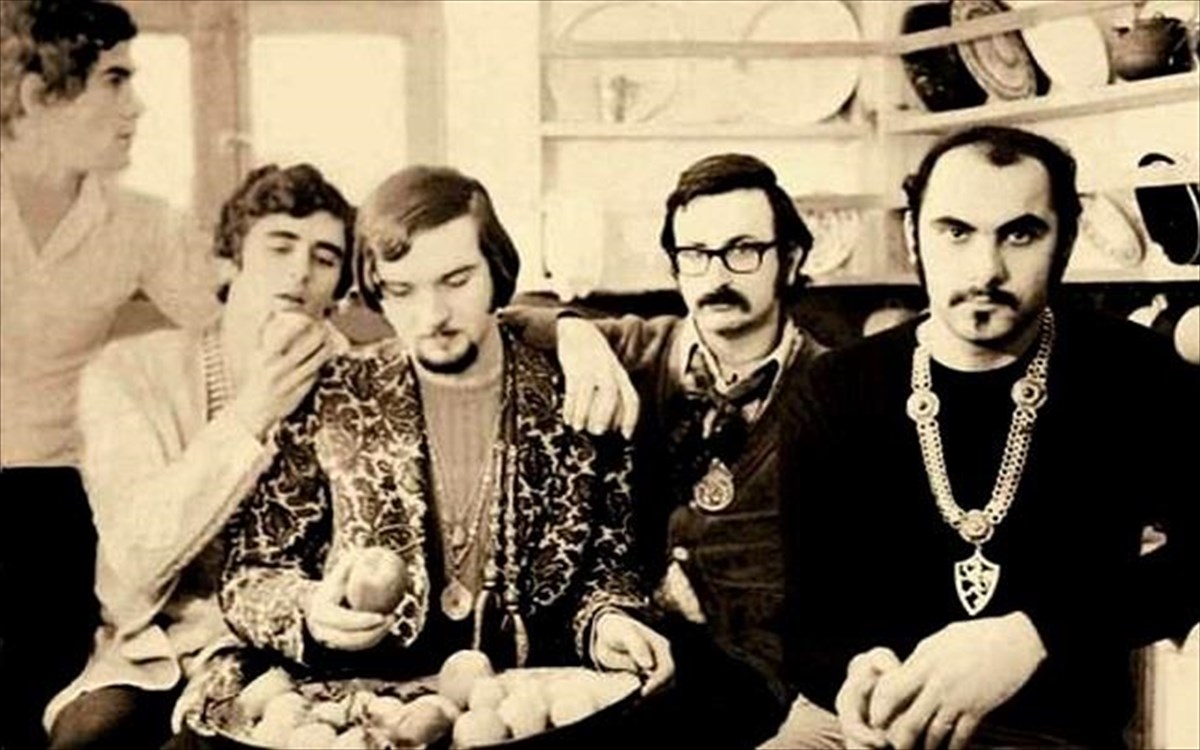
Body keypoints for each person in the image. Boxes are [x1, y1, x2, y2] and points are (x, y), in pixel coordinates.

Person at [180, 166, 673, 727]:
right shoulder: (333, 393)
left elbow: (610, 566)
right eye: (402, 291)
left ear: (496, 270)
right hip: (367, 717)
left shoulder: (579, 392)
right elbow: (253, 572)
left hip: (529, 716)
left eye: (456, 281)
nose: (432, 316)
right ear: (375, 292)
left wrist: (607, 622)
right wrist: (310, 611)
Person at [768, 126, 1198, 749]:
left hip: (1044, 735)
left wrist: (1033, 635)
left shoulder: (1134, 372)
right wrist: (853, 674)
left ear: (1066, 241)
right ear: (914, 237)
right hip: (858, 726)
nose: (985, 269)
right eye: (956, 231)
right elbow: (809, 620)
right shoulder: (835, 387)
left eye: (1020, 234)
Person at [504, 153, 827, 748]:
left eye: (743, 250)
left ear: (792, 258)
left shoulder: (837, 386)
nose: (716, 274)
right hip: (622, 656)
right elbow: (510, 318)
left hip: (757, 687)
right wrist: (574, 331)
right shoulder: (635, 350)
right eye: (695, 253)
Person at [38, 164, 355, 749]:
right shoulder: (131, 371)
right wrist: (253, 411)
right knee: (86, 738)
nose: (301, 270)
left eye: (326, 257)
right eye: (280, 245)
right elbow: (133, 558)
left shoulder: (348, 379)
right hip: (151, 652)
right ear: (229, 261)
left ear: (338, 292)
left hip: (281, 653)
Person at [0, 1, 218, 746]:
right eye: (114, 80)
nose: (137, 106)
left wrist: (543, 323)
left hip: (55, 512)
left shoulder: (145, 225)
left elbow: (237, 318)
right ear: (39, 96)